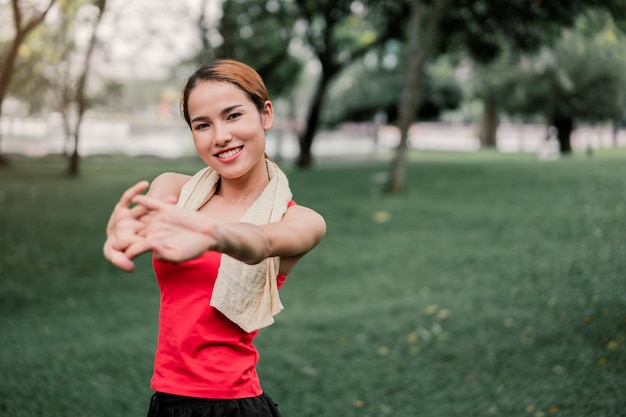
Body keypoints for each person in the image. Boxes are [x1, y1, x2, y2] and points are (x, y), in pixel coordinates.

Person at [103, 59, 326, 417]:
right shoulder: (175, 190)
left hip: (234, 406)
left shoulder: (300, 220)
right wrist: (120, 233)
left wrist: (211, 234)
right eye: (202, 125)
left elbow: (261, 243)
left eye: (233, 116)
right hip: (167, 402)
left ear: (265, 114)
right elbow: (138, 228)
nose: (220, 136)